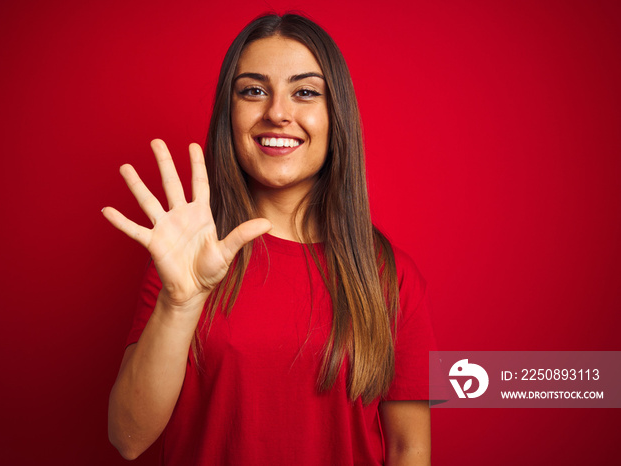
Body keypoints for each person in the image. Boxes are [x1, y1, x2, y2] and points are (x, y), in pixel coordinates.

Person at [102, 12, 436, 466]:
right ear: (229, 113)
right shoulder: (186, 258)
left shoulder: (388, 275)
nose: (277, 112)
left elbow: (408, 449)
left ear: (336, 115)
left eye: (305, 92)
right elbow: (128, 437)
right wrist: (178, 303)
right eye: (254, 91)